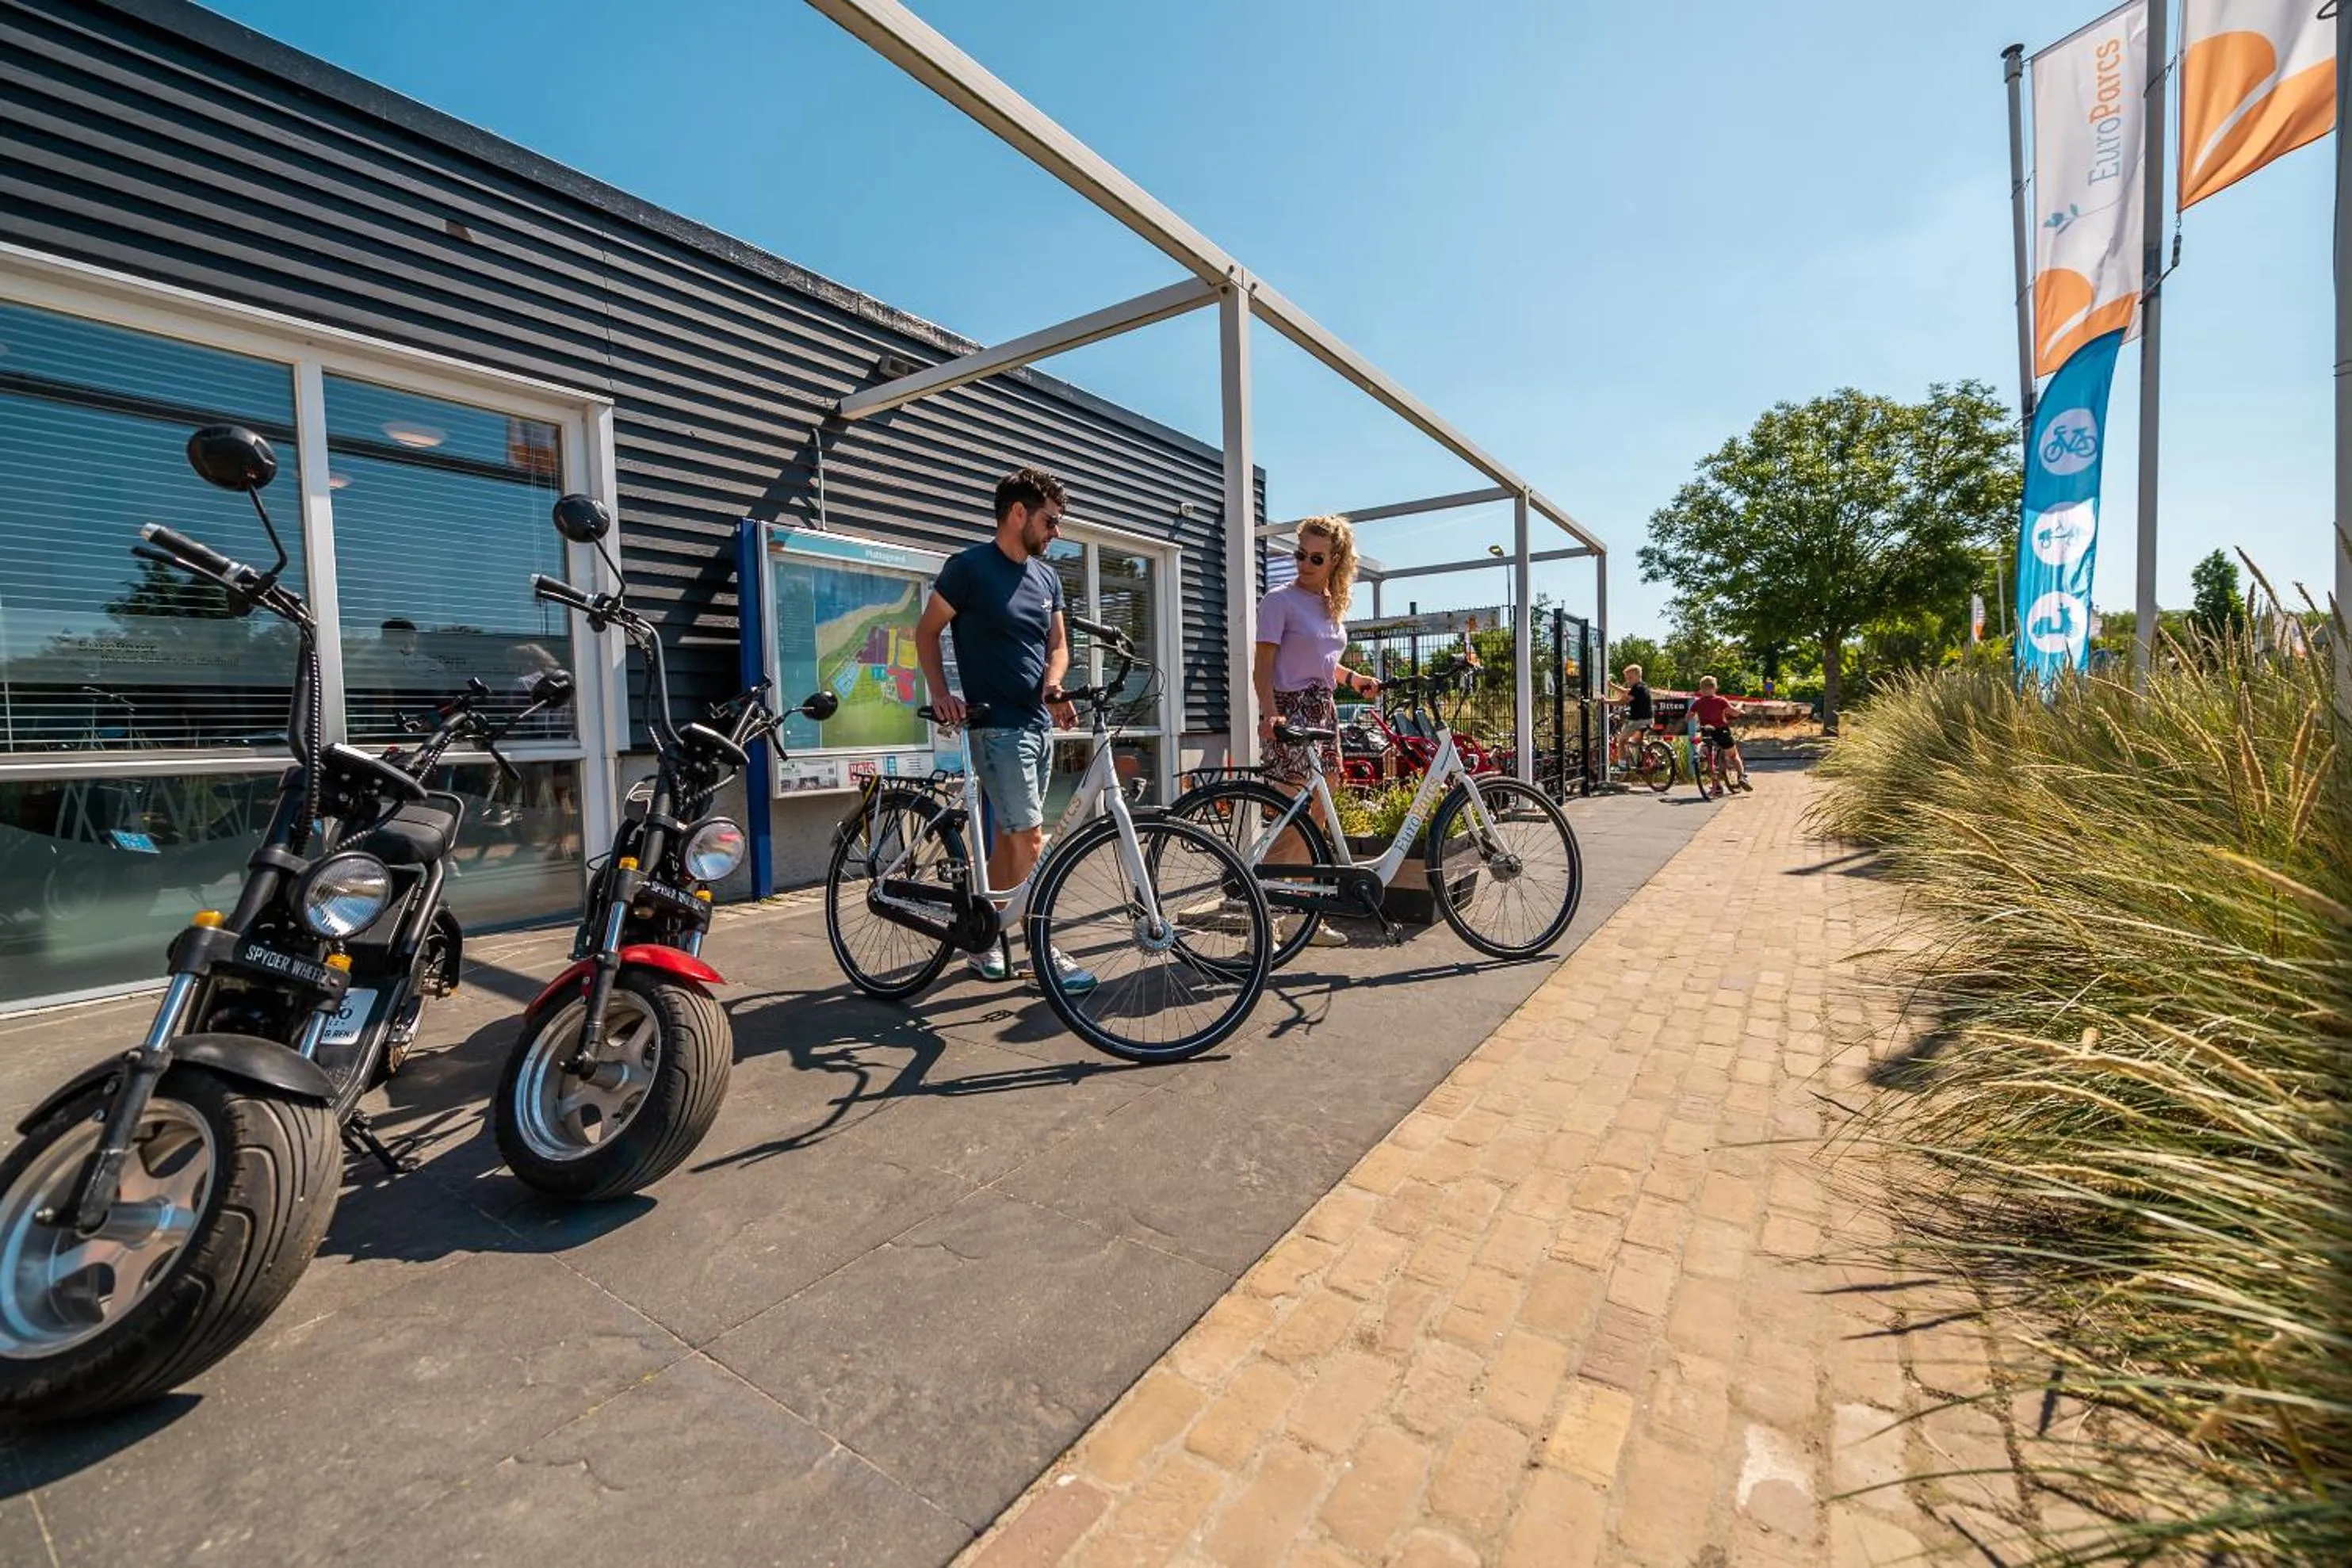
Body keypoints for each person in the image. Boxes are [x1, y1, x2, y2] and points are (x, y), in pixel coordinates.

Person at [915, 467, 1095, 992]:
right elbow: (926, 632)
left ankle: (985, 936)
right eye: (1050, 521)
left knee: (1010, 838)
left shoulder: (1047, 578)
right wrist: (941, 692)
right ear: (1018, 514)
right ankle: (1043, 948)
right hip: (994, 727)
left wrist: (1054, 688)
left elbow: (1056, 646)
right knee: (1030, 837)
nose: (1055, 532)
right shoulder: (968, 568)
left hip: (1036, 724)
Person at [1254, 517, 1381, 943]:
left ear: (1336, 561)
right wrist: (1269, 713)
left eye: (1316, 557)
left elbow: (1324, 662)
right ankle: (1263, 921)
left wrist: (1353, 680)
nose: (1304, 563)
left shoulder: (1330, 605)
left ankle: (1299, 916)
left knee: (1317, 818)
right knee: (1290, 820)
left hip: (1323, 712)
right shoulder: (1278, 601)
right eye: (1299, 554)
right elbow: (1264, 666)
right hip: (1289, 713)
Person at [1690, 675, 1751, 792]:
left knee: (1710, 757)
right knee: (1733, 755)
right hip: (1721, 731)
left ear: (1701, 689)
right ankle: (1742, 776)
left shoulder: (1698, 703)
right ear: (1715, 688)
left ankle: (1717, 785)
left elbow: (1688, 717)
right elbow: (1734, 713)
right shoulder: (1721, 700)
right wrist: (1740, 704)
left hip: (1706, 732)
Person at [1611, 662, 1654, 769]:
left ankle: (1622, 766)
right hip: (1649, 720)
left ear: (1638, 676)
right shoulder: (1643, 686)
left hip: (1637, 721)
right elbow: (1626, 691)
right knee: (1638, 740)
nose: (1628, 680)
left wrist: (1605, 701)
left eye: (1630, 678)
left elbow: (1622, 701)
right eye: (1627, 678)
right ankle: (1656, 755)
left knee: (1621, 741)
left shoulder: (1636, 688)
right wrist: (1611, 686)